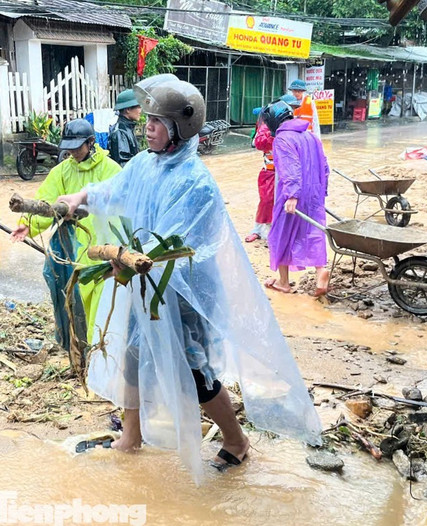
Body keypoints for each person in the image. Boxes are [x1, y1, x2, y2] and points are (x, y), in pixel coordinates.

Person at [56, 75, 322, 482]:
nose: (148, 127)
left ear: (179, 130)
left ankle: (236, 442)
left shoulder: (196, 181)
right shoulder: (146, 163)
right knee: (130, 355)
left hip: (184, 291)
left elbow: (177, 246)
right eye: (147, 119)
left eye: (158, 122)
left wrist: (131, 261)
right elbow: (115, 190)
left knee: (196, 373)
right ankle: (131, 436)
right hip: (144, 283)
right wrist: (81, 197)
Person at [11, 119, 120, 345]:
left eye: (77, 146)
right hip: (72, 245)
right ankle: (77, 346)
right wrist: (28, 224)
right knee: (68, 293)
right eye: (68, 147)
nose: (72, 152)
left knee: (101, 299)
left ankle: (99, 348)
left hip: (100, 246)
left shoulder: (111, 169)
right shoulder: (62, 171)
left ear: (91, 143)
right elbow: (47, 201)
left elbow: (121, 211)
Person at [262, 100, 330, 297]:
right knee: (313, 231)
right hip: (314, 193)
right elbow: (324, 166)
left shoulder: (283, 139)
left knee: (280, 234)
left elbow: (290, 168)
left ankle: (284, 282)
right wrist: (321, 191)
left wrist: (292, 195)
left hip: (292, 194)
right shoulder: (310, 136)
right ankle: (320, 272)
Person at [245, 108, 276, 243]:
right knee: (266, 201)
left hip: (286, 173)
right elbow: (257, 143)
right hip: (269, 172)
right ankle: (259, 230)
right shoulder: (266, 129)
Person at [108, 89, 141, 167]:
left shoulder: (128, 128)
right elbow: (123, 165)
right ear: (128, 109)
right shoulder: (120, 132)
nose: (140, 110)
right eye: (138, 107)